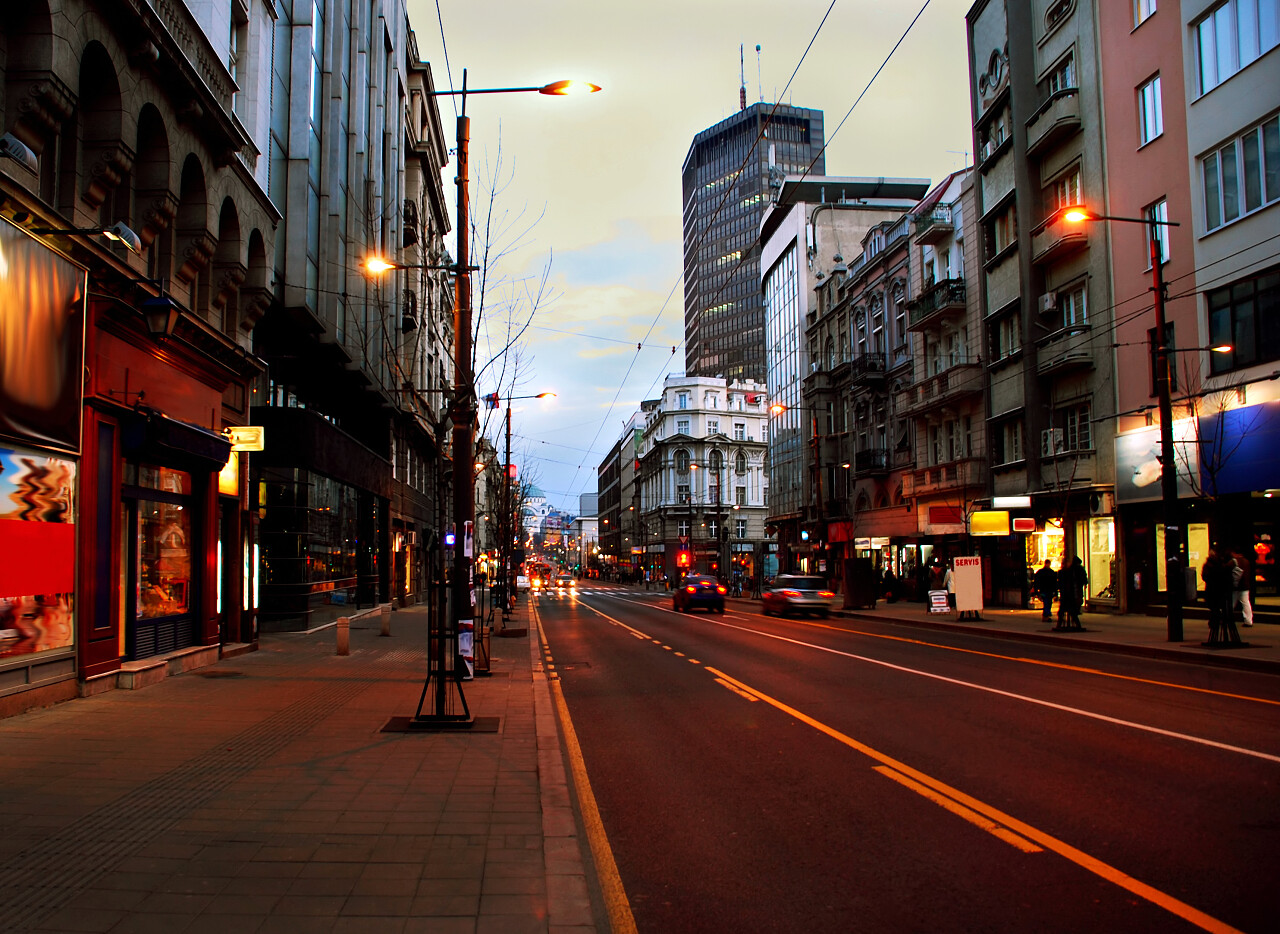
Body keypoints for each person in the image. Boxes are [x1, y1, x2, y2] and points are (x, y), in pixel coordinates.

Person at [1059, 557, 1088, 630]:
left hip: (1068, 594)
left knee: (1066, 610)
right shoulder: (1077, 570)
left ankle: (1061, 623)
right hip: (1073, 593)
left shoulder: (1067, 571)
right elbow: (1083, 580)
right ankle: (1076, 623)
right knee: (1072, 610)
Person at [1231, 550, 1254, 628]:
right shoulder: (1246, 561)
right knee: (1246, 603)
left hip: (1236, 586)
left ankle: (1226, 618)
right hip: (1245, 586)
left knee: (1231, 603)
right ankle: (1248, 620)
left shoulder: (1234, 561)